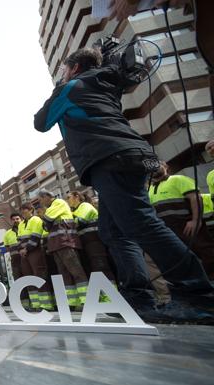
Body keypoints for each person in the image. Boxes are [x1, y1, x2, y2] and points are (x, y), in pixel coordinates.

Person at [34, 47, 214, 323]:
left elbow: (41, 122)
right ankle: (138, 297)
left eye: (64, 70)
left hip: (110, 159)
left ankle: (197, 294)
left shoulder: (72, 87)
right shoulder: (105, 83)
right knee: (114, 231)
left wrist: (60, 84)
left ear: (75, 68)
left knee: (141, 223)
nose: (62, 75)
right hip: (127, 157)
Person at [149, 163, 214, 278]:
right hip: (172, 233)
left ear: (166, 166)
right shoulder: (150, 189)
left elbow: (195, 198)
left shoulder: (178, 179)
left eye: (157, 164)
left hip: (189, 227)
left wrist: (196, 220)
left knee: (207, 252)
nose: (153, 167)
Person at [38, 190, 88, 309]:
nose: (40, 202)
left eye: (40, 199)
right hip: (57, 245)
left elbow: (47, 220)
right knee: (65, 274)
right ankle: (73, 302)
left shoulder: (58, 202)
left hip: (66, 242)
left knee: (76, 271)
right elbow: (45, 226)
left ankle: (87, 300)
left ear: (46, 196)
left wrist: (45, 218)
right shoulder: (53, 206)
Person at [67, 191, 117, 286]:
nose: (67, 201)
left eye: (68, 197)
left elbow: (80, 222)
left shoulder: (85, 206)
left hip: (95, 241)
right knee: (92, 267)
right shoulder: (75, 210)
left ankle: (110, 294)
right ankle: (102, 293)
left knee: (100, 266)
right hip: (86, 242)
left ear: (76, 197)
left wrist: (68, 215)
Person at [18, 203, 54, 311]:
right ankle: (35, 303)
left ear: (31, 210)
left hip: (35, 251)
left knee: (39, 275)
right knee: (29, 277)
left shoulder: (36, 220)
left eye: (25, 210)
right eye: (22, 211)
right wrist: (20, 249)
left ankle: (46, 304)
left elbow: (36, 237)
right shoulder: (21, 224)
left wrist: (26, 249)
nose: (23, 213)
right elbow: (19, 239)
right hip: (24, 254)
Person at [3, 213, 23, 282]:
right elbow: (7, 247)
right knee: (18, 278)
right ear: (11, 221)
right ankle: (21, 293)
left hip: (26, 257)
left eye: (17, 219)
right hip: (15, 260)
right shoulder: (7, 233)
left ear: (21, 219)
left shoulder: (26, 228)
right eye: (13, 219)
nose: (15, 220)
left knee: (29, 276)